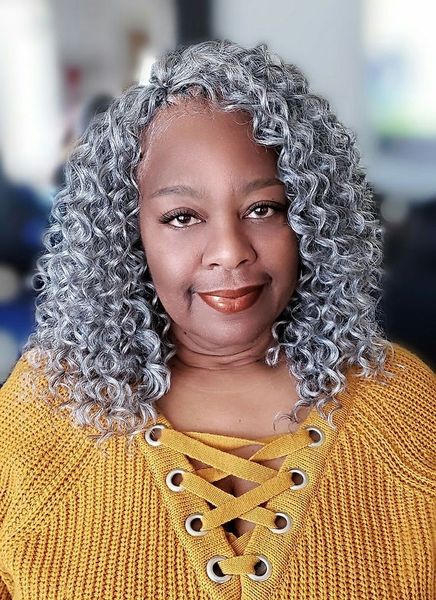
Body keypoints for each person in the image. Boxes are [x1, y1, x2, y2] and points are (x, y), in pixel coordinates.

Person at [0, 40, 434, 599]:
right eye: (182, 217)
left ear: (311, 220)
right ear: (129, 235)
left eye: (263, 209)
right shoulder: (46, 409)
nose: (229, 251)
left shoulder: (404, 412)